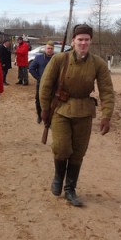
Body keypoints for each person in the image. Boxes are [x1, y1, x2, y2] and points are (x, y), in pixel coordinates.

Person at [39, 24, 114, 207]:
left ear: (91, 42)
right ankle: (58, 177)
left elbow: (106, 91)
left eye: (86, 40)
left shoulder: (98, 63)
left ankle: (70, 189)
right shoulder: (59, 59)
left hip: (84, 112)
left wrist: (107, 115)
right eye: (80, 39)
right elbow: (46, 85)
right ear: (73, 41)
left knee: (78, 153)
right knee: (62, 147)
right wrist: (45, 108)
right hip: (61, 110)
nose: (83, 43)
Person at [29, 41, 55, 124]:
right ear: (45, 49)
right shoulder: (39, 58)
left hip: (54, 85)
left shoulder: (56, 59)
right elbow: (31, 68)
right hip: (41, 84)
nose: (50, 50)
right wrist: (39, 78)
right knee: (39, 100)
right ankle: (39, 116)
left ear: (53, 49)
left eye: (51, 48)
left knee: (52, 100)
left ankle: (50, 117)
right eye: (48, 48)